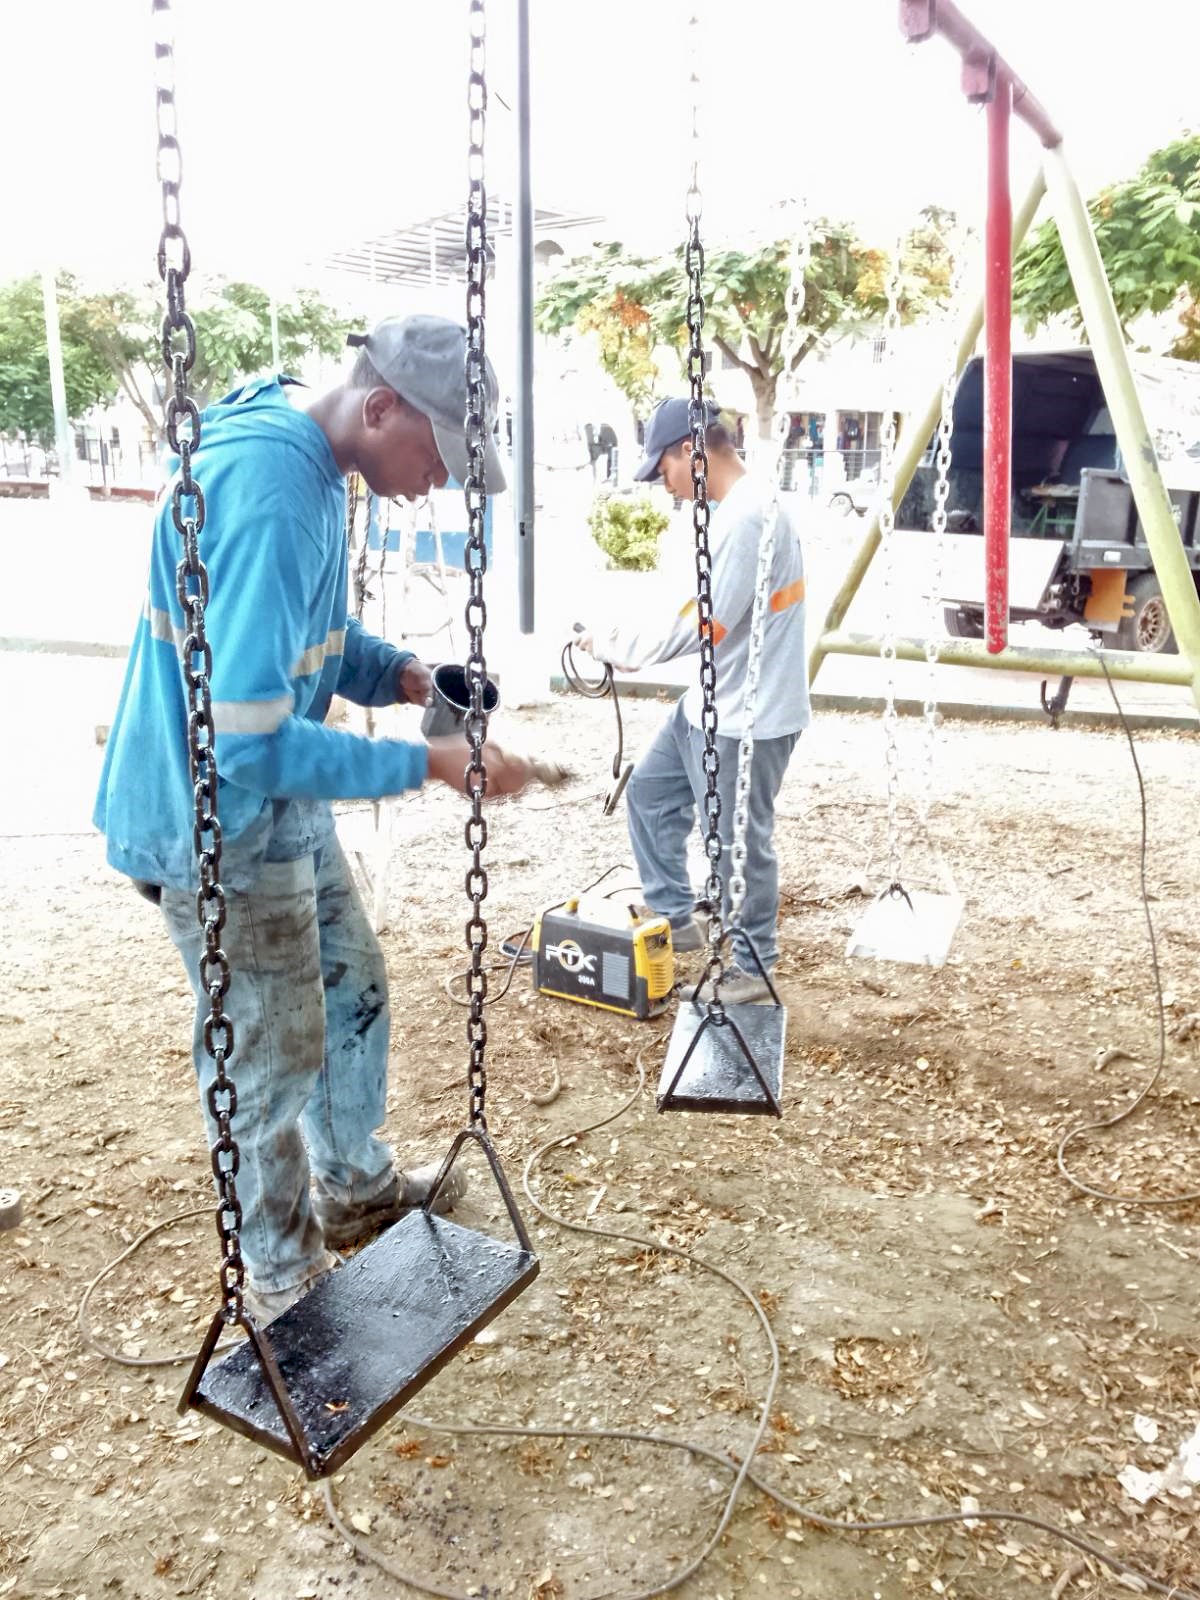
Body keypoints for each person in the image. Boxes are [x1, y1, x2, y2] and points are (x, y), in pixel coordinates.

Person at [94, 314, 532, 1323]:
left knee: (351, 980)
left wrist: (399, 673)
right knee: (269, 1048)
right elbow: (248, 736)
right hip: (215, 814)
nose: (441, 480)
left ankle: (354, 1184)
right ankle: (281, 1275)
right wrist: (425, 761)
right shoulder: (275, 490)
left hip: (272, 800)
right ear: (381, 406)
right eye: (438, 453)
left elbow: (308, 634)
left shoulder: (315, 457)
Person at [576, 397, 809, 1004]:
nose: (666, 484)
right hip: (709, 704)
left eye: (665, 469)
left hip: (747, 718)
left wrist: (619, 645)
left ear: (691, 450)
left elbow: (706, 624)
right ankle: (677, 919)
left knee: (736, 842)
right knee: (650, 794)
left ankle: (753, 968)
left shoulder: (750, 516)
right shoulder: (733, 510)